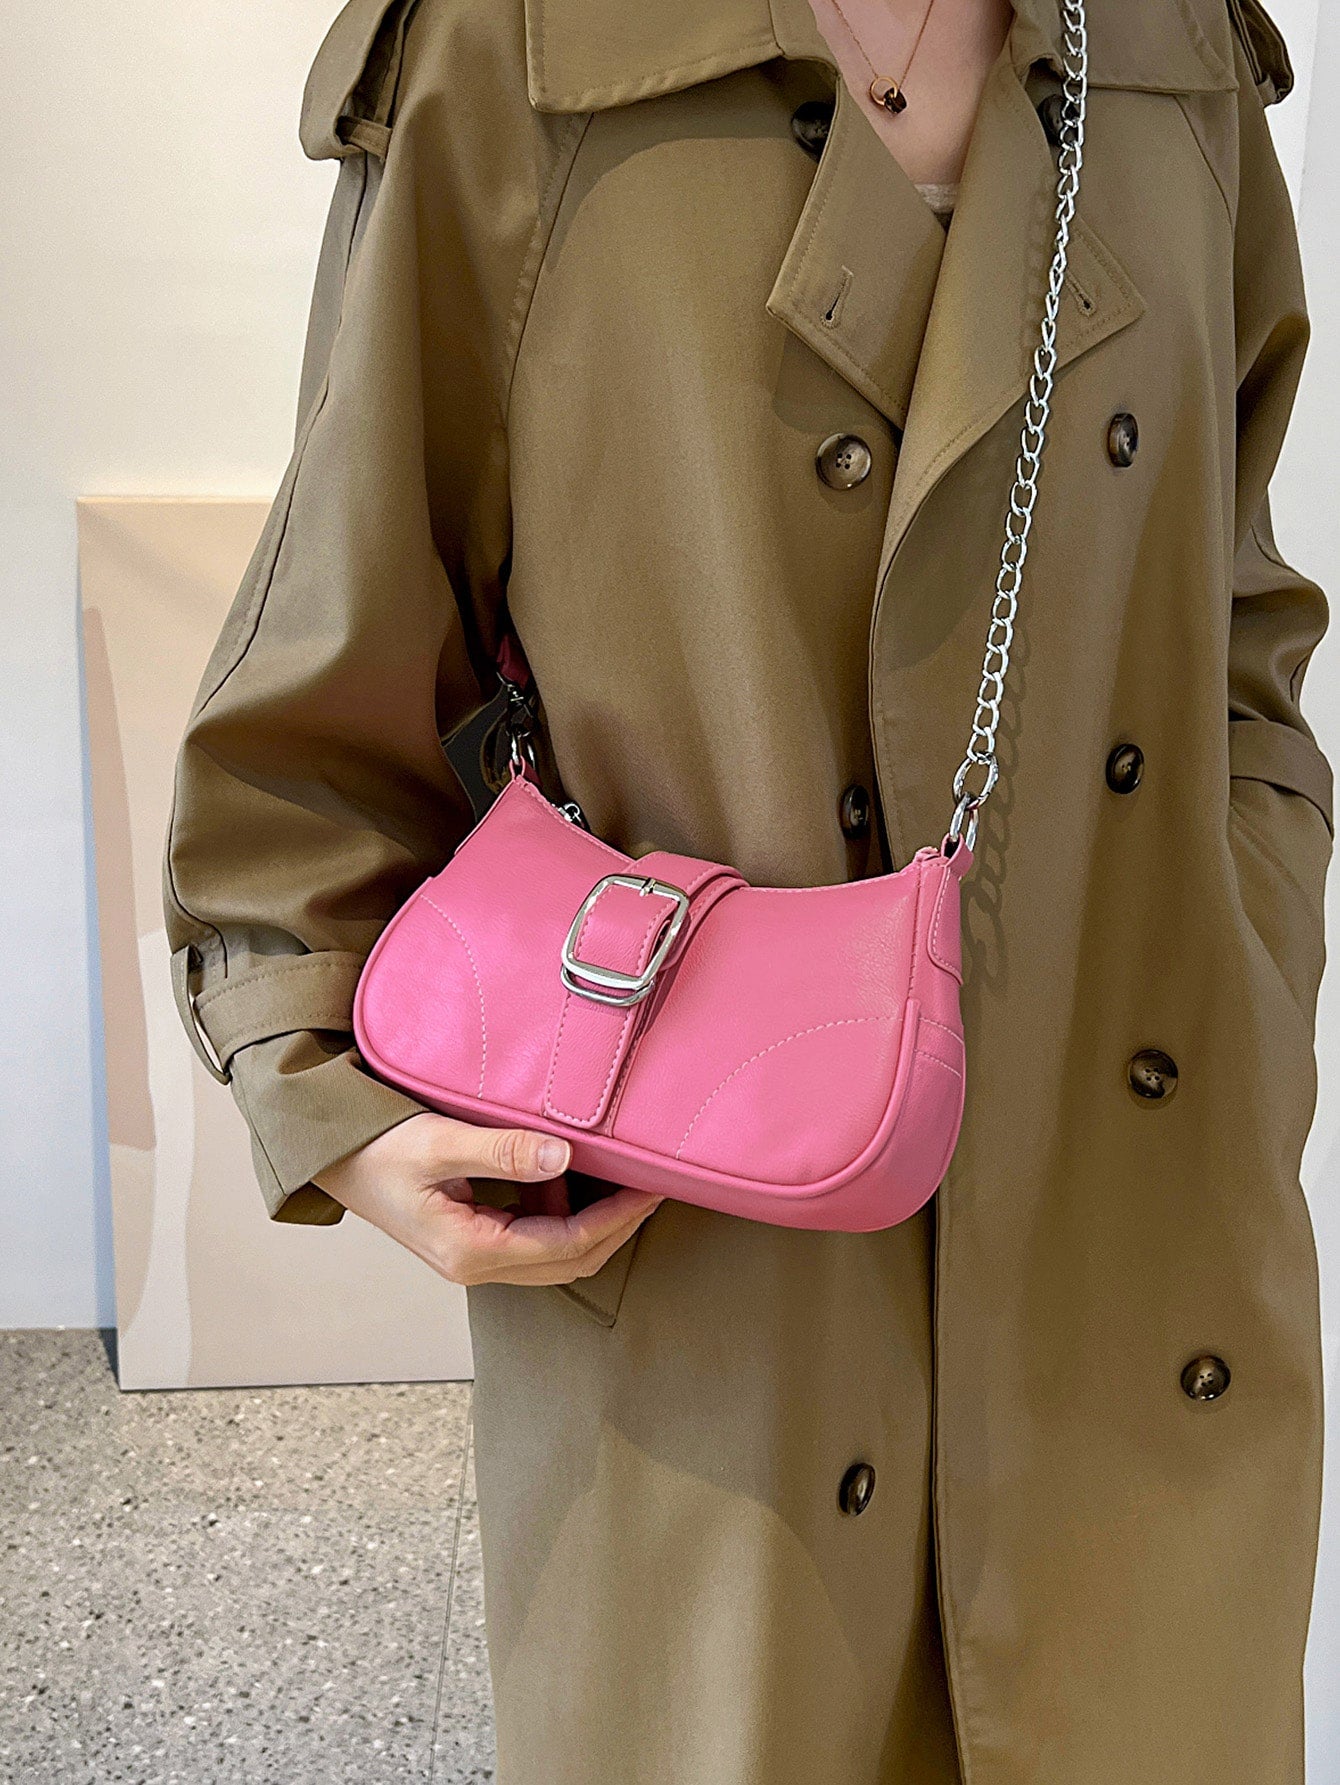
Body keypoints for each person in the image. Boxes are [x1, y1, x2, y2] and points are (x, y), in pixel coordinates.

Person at [164, 0, 1332, 1779]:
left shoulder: (1172, 42)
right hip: (712, 1281)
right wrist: (333, 1094)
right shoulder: (515, 45)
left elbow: (1233, 608)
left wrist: (1258, 951)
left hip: (1144, 1245)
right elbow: (331, 660)